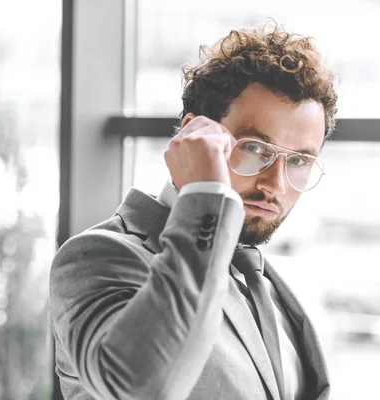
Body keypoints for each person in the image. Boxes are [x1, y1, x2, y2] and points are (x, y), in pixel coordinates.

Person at [50, 21, 338, 400]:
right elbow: (144, 387)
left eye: (299, 160)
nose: (276, 184)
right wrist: (206, 192)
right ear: (195, 134)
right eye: (254, 148)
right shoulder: (97, 257)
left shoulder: (269, 284)